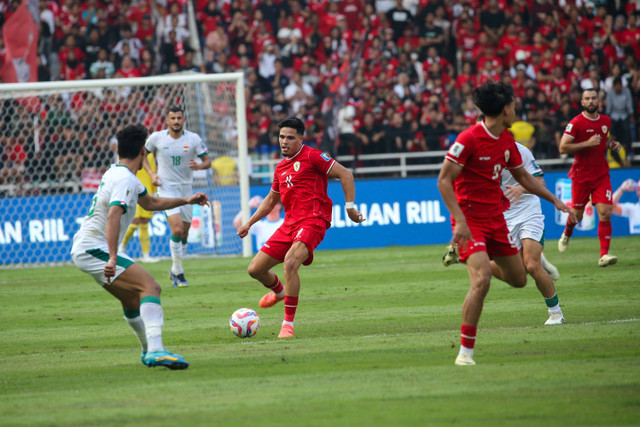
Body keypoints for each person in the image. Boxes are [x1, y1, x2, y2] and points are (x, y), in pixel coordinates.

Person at [437, 81, 574, 366]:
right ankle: (465, 352)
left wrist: (555, 201)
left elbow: (524, 178)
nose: (516, 110)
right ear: (504, 109)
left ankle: (471, 259)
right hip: (469, 218)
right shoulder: (469, 138)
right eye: (513, 105)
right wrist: (459, 221)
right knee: (482, 281)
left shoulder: (507, 140)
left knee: (520, 278)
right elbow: (444, 181)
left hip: (496, 218)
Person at [70, 124, 209, 369]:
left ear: (118, 151)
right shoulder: (125, 179)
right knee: (151, 287)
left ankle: (148, 352)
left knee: (132, 301)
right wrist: (113, 257)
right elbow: (114, 213)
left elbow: (152, 201)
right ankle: (156, 349)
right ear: (144, 153)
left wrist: (187, 199)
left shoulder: (117, 173)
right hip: (95, 248)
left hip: (86, 248)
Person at [237, 117, 365, 338]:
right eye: (281, 137)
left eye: (290, 138)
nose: (284, 142)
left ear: (300, 139)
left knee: (290, 262)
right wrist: (249, 223)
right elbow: (269, 201)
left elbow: (346, 174)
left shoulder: (313, 156)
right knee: (254, 270)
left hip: (314, 220)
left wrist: (350, 207)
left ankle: (288, 324)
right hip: (289, 223)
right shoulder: (280, 168)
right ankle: (279, 292)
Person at [489, 142, 565, 326]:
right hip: (502, 217)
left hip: (527, 211)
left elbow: (540, 182)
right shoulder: (477, 154)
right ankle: (540, 260)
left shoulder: (519, 151)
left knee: (531, 265)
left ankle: (556, 313)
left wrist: (520, 188)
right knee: (506, 271)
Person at [144, 105, 212, 288]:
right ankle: (179, 272)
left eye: (179, 118)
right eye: (172, 118)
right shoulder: (157, 137)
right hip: (166, 189)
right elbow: (143, 155)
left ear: (184, 120)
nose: (176, 121)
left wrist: (200, 165)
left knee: (185, 233)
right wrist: (151, 174)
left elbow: (207, 161)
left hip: (186, 190)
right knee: (177, 229)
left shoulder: (193, 139)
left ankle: (174, 272)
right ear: (167, 120)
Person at [557, 88, 622, 267]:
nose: (591, 101)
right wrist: (586, 143)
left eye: (594, 98)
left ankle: (604, 255)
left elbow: (604, 139)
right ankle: (567, 233)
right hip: (581, 176)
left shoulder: (606, 121)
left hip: (601, 174)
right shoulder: (575, 123)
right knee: (576, 216)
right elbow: (562, 148)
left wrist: (611, 144)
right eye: (588, 99)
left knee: (605, 212)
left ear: (598, 101)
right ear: (582, 103)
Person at [119, 153, 159, 263]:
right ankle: (122, 245)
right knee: (134, 221)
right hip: (132, 190)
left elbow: (152, 171)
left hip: (146, 190)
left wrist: (154, 191)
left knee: (145, 222)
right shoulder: (126, 153)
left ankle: (146, 255)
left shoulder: (148, 154)